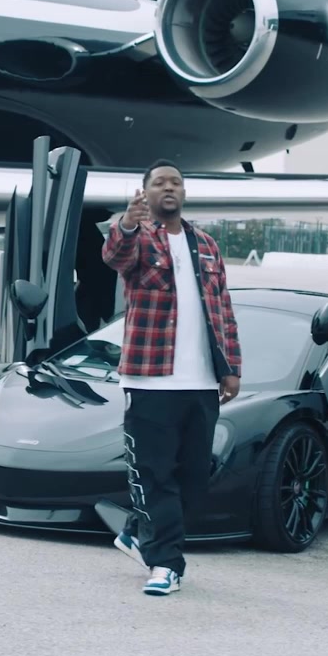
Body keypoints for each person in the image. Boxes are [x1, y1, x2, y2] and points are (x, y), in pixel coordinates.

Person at [100, 159, 241, 596]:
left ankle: (135, 531)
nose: (168, 187)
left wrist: (231, 367)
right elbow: (115, 256)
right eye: (159, 182)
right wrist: (127, 223)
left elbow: (224, 310)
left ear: (184, 192)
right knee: (154, 473)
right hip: (150, 380)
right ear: (145, 192)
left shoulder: (206, 244)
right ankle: (165, 565)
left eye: (175, 182)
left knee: (195, 478)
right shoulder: (138, 237)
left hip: (200, 382)